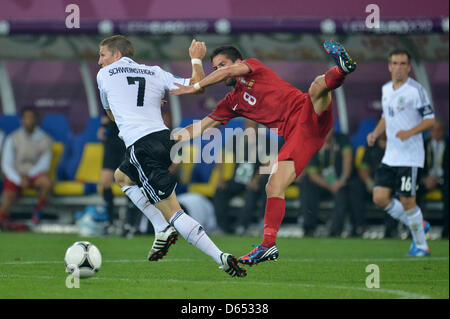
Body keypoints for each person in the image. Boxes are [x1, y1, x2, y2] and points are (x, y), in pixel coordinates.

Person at [170, 40, 356, 265]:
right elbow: (199, 128)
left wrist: (196, 86)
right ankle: (268, 246)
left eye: (222, 65)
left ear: (238, 62)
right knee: (273, 185)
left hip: (308, 112)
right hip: (299, 136)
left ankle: (341, 69)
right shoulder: (231, 103)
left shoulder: (253, 66)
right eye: (215, 67)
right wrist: (164, 137)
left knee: (317, 86)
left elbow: (225, 73)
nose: (219, 70)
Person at [96, 35, 246, 277]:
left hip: (141, 146)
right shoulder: (155, 72)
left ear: (116, 56)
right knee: (122, 177)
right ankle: (160, 228)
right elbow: (197, 87)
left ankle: (221, 257)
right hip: (165, 141)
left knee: (174, 212)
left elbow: (112, 112)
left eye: (102, 55)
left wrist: (134, 112)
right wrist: (195, 60)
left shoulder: (104, 75)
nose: (99, 62)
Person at [366, 49, 435, 256]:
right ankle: (418, 224)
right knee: (379, 197)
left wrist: (410, 132)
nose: (399, 67)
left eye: (403, 63)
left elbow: (430, 119)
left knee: (407, 200)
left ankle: (421, 246)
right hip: (391, 155)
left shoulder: (416, 90)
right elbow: (386, 116)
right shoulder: (386, 89)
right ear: (389, 66)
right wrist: (376, 133)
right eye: (395, 63)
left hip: (410, 156)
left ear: (409, 67)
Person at [300, 128, 364, 237]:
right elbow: (312, 173)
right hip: (322, 183)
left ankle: (336, 230)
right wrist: (330, 186)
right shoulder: (312, 143)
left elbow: (348, 160)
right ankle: (309, 227)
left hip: (340, 181)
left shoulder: (341, 139)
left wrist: (342, 180)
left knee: (346, 189)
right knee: (307, 184)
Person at [213, 119, 268, 235]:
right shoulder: (236, 139)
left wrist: (255, 179)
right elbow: (220, 157)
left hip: (254, 180)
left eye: (253, 125)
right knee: (220, 190)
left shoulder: (265, 142)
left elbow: (268, 163)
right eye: (248, 125)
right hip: (238, 179)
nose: (250, 128)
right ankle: (222, 228)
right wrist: (220, 178)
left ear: (258, 127)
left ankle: (241, 226)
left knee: (251, 192)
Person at [0, 107, 53, 229]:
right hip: (17, 176)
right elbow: (6, 164)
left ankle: (37, 213)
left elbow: (44, 164)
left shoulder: (45, 139)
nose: (29, 121)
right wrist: (19, 179)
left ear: (36, 121)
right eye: (27, 118)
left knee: (46, 183)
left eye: (32, 118)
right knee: (7, 196)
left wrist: (29, 176)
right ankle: (3, 220)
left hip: (34, 175)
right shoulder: (12, 138)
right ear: (22, 120)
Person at [358, 132, 398, 237]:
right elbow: (363, 167)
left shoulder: (397, 146)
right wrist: (368, 181)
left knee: (393, 194)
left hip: (391, 184)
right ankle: (359, 227)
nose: (384, 132)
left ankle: (390, 231)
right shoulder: (371, 147)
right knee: (355, 188)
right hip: (373, 184)